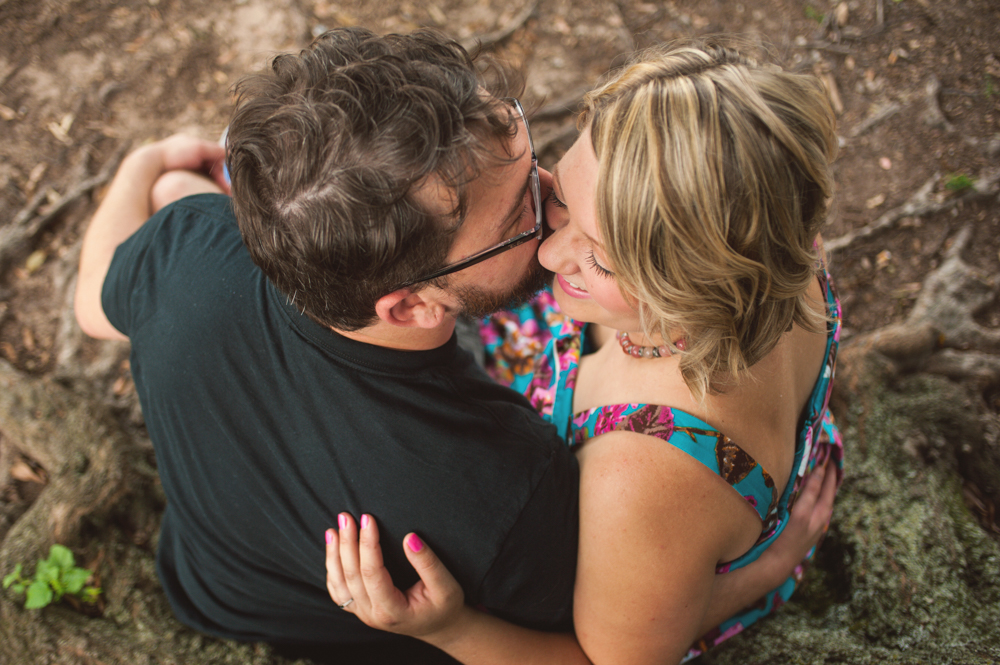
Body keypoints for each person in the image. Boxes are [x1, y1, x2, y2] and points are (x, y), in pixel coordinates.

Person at [73, 28, 825, 662]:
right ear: (409, 305)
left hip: (210, 570)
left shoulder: (185, 251)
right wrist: (454, 629)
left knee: (176, 197)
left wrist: (146, 163)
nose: (549, 230)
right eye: (528, 221)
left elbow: (92, 307)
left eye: (544, 174)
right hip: (343, 603)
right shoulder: (513, 492)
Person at [326, 40, 844, 664]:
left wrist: (449, 629)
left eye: (597, 255)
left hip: (660, 568)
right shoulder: (779, 233)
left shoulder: (641, 475)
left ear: (695, 282)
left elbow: (612, 660)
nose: (546, 251)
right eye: (564, 197)